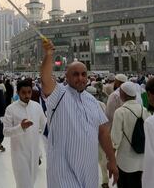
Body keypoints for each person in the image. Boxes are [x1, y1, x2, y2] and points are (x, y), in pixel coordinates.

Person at [41, 39, 118, 188]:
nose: (80, 78)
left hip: (89, 172)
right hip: (63, 172)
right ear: (67, 76)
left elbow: (103, 133)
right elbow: (45, 80)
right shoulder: (59, 94)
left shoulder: (92, 101)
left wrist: (112, 160)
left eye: (84, 74)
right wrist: (49, 54)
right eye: (75, 74)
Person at [2, 79, 47, 188]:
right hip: (19, 154)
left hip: (35, 153)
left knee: (32, 181)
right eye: (23, 93)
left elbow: (44, 125)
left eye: (29, 92)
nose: (27, 95)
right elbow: (6, 132)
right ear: (18, 93)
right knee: (23, 184)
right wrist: (20, 127)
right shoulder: (11, 109)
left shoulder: (37, 106)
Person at [111, 82, 150, 188]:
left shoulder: (120, 112)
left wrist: (111, 160)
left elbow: (115, 139)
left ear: (123, 94)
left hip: (125, 161)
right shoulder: (144, 110)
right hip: (142, 159)